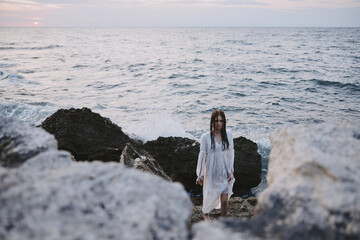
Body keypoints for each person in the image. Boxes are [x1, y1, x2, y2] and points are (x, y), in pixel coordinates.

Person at [196, 109, 235, 221]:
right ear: (212, 122)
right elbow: (202, 157)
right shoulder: (206, 137)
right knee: (209, 198)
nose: (219, 123)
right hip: (212, 172)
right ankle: (205, 214)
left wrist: (230, 170)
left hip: (223, 171)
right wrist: (200, 175)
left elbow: (230, 154)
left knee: (224, 200)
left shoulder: (228, 135)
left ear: (224, 122)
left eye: (221, 121)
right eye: (216, 120)